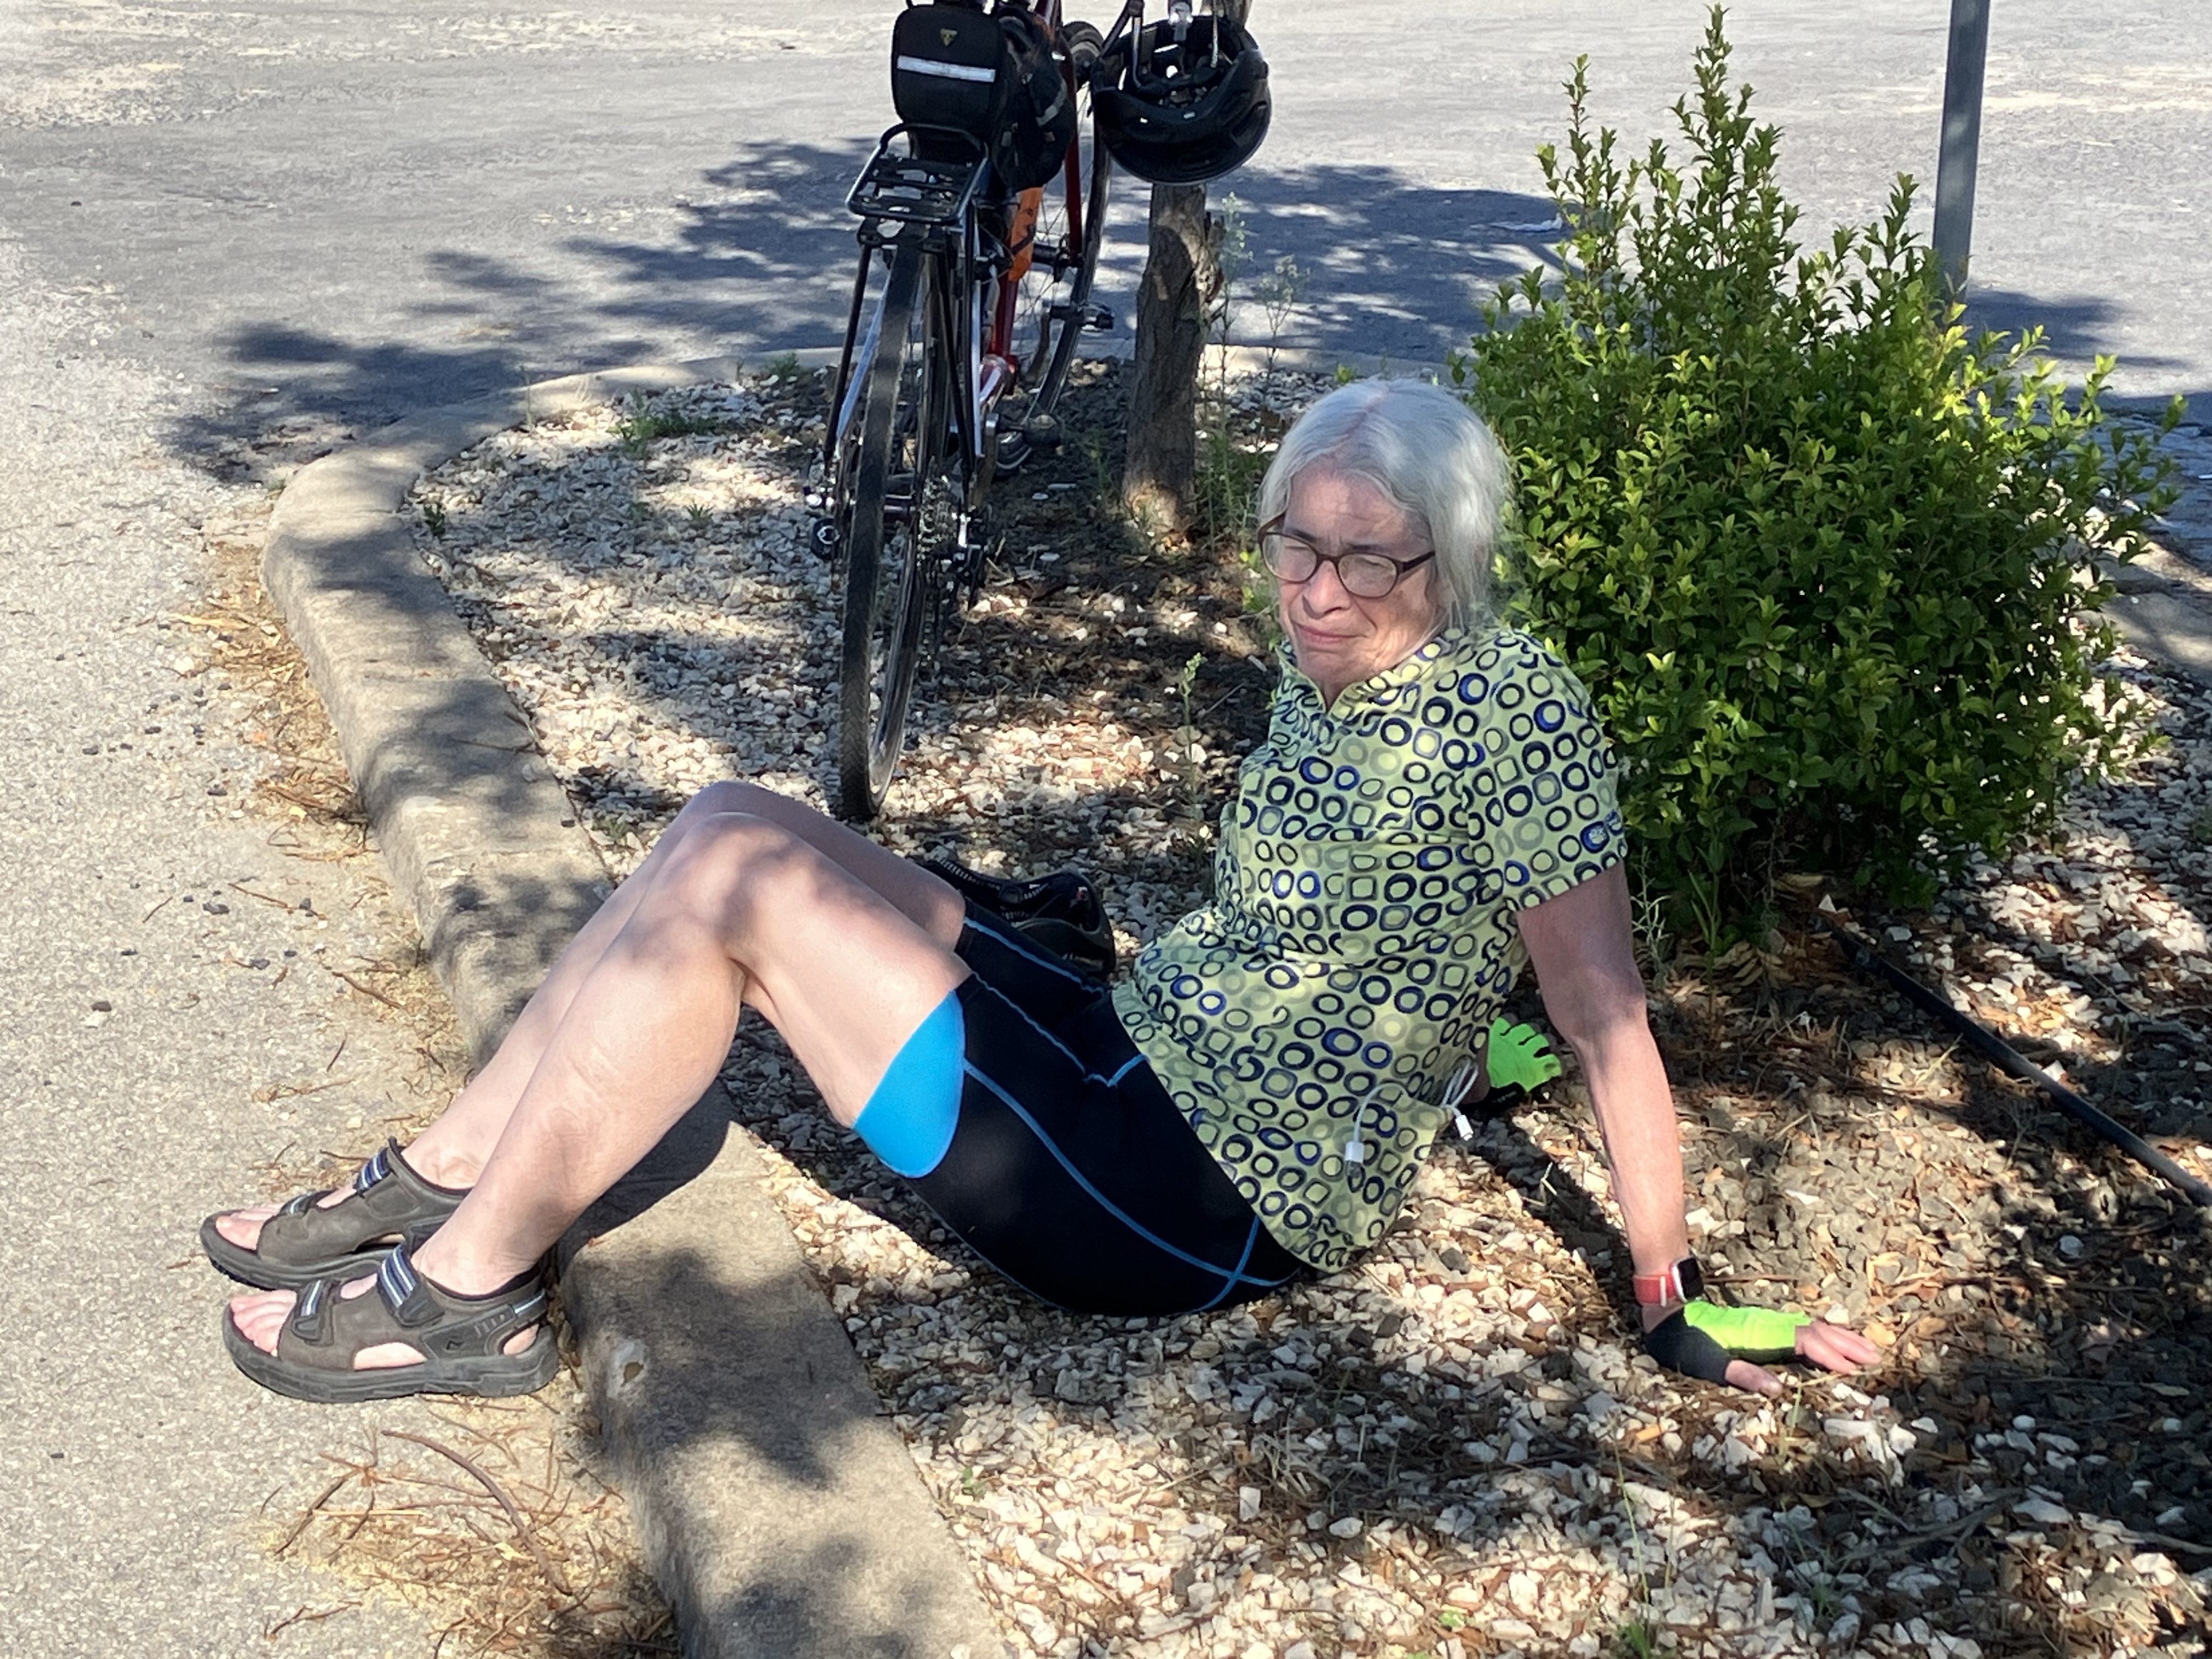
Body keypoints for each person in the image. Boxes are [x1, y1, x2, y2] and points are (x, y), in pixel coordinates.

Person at [209, 379, 1878, 1402]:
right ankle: (443, 1175)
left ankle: (469, 1295)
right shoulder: (1347, 661)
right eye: (1294, 544)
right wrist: (1463, 1059)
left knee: (730, 887)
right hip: (1134, 1039)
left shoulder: (1518, 724)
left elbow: (1599, 1011)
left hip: (1193, 1193)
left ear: (1453, 558)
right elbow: (1407, 952)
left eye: (1367, 557)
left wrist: (1668, 1295)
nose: (1314, 591)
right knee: (730, 813)